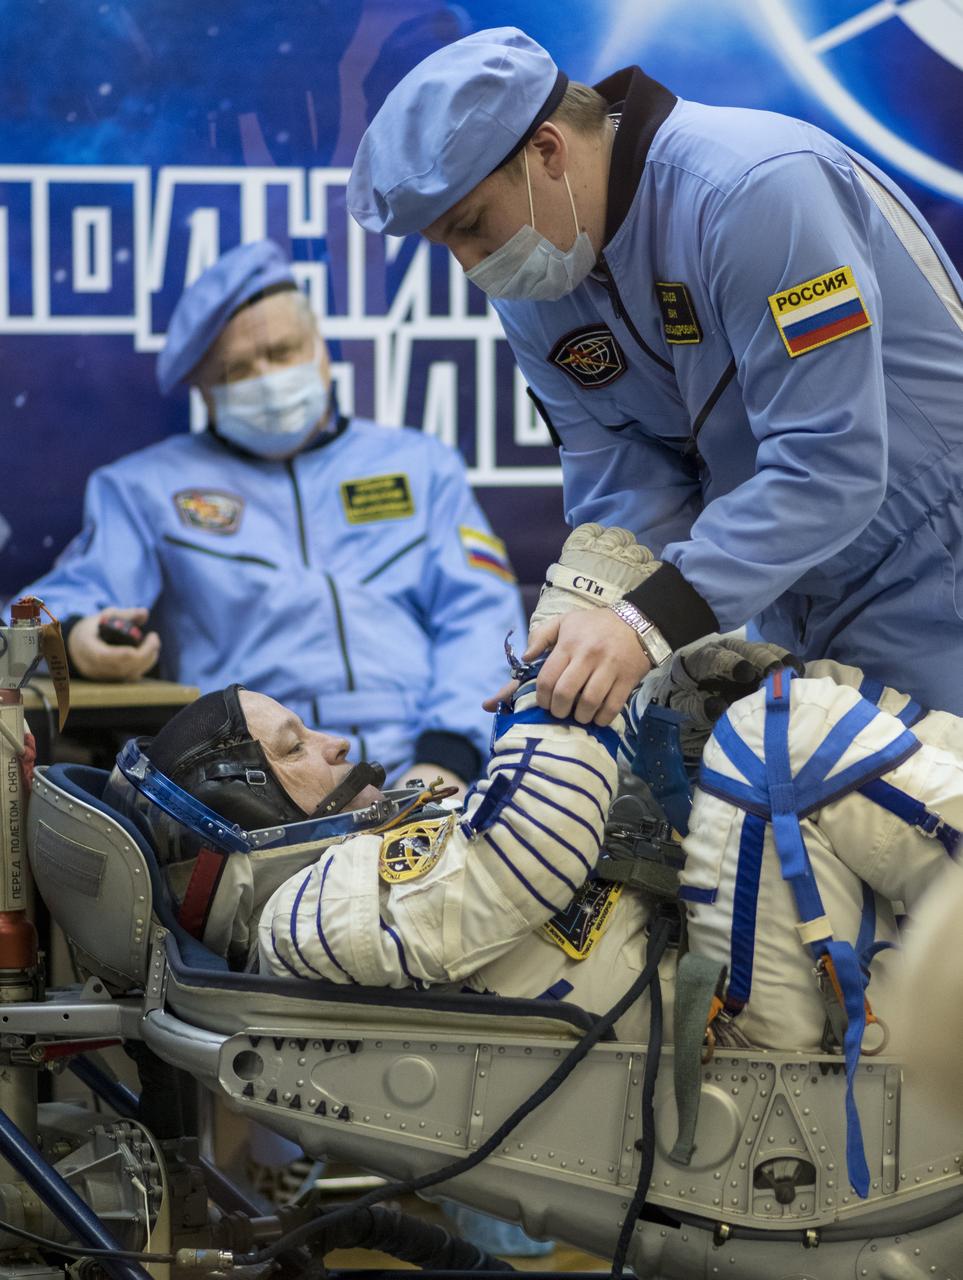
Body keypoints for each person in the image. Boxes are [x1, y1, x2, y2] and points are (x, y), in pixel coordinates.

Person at [106, 526, 961, 1083]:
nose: (333, 746)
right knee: (788, 736)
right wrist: (574, 641)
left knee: (761, 702)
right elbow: (531, 843)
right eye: (293, 748)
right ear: (239, 811)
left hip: (726, 978)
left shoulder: (346, 878)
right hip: (731, 1034)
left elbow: (570, 845)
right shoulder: (308, 916)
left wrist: (665, 713)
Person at [346, 27, 963, 721]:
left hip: (933, 567)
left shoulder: (756, 187)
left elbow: (830, 460)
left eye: (470, 226)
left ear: (545, 150)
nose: (470, 264)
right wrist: (585, 618)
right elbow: (621, 477)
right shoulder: (535, 283)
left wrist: (644, 624)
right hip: (781, 592)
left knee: (923, 819)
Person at [17, 240, 526, 790]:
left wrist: (448, 756)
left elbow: (479, 617)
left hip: (431, 766)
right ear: (203, 391)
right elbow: (32, 619)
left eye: (283, 352)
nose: (268, 377)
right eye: (238, 369)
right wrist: (77, 641)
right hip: (252, 783)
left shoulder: (421, 465)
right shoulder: (143, 488)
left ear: (322, 350)